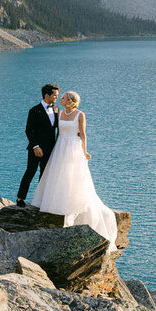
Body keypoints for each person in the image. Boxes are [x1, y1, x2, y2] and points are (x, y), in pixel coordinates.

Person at [31, 91, 117, 249]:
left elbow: (83, 135)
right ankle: (56, 205)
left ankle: (72, 206)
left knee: (72, 177)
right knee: (58, 176)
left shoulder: (80, 115)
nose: (60, 99)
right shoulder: (60, 112)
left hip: (73, 148)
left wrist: (85, 152)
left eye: (63, 97)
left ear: (70, 101)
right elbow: (53, 131)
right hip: (60, 147)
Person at [17, 84, 59, 207]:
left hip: (51, 148)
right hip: (36, 148)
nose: (56, 97)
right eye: (55, 95)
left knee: (45, 173)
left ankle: (41, 199)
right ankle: (20, 198)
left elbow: (58, 127)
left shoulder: (56, 109)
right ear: (47, 95)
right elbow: (29, 130)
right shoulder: (34, 110)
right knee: (30, 171)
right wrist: (35, 146)